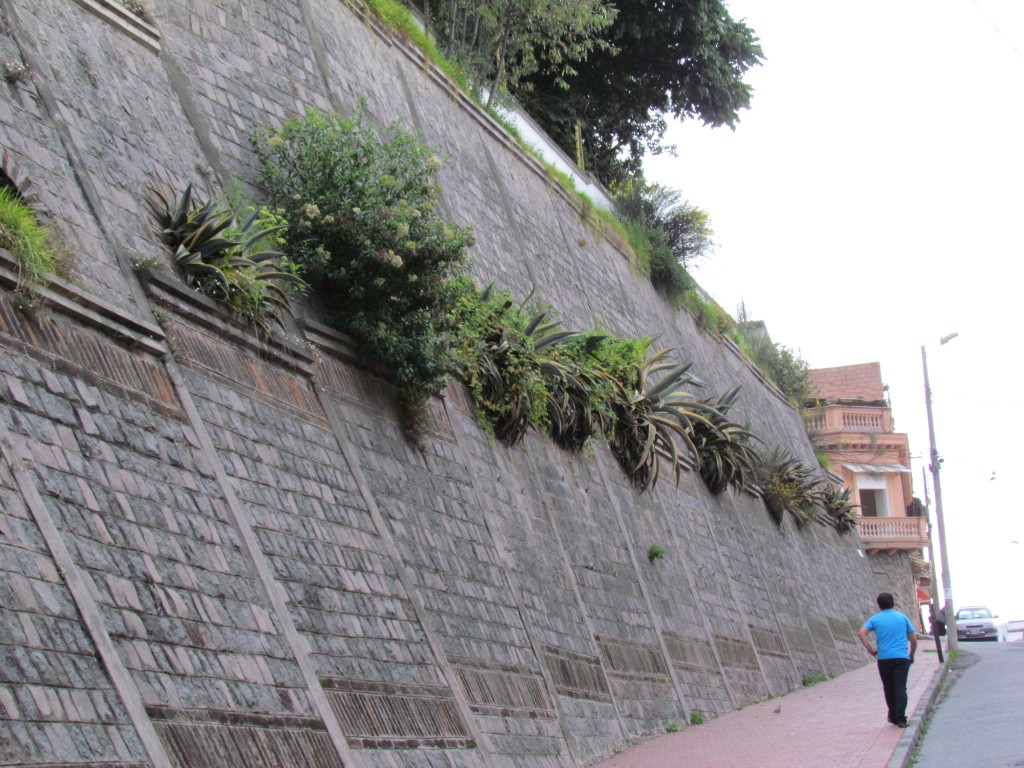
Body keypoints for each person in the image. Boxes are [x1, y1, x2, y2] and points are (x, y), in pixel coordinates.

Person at [858, 592, 917, 727]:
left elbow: (861, 633)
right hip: (902, 658)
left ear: (879, 605)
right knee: (900, 687)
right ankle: (901, 718)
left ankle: (893, 716)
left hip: (884, 659)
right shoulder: (902, 618)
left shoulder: (875, 619)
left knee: (889, 687)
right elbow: (913, 639)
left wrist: (870, 649)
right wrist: (911, 654)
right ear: (893, 603)